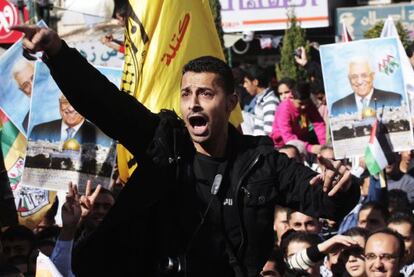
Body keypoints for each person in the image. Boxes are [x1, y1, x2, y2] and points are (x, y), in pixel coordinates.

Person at [13, 25, 361, 277]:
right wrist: (57, 52)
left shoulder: (260, 162)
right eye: (186, 94)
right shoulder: (164, 143)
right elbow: (105, 102)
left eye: (206, 94)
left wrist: (343, 188)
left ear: (231, 103)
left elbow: (324, 198)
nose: (193, 104)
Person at [331, 57, 402, 116]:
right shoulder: (337, 107)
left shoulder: (393, 100)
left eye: (364, 75)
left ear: (372, 76)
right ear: (349, 79)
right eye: (354, 77)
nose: (359, 81)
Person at [271, 82, 326, 154]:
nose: (304, 107)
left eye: (306, 103)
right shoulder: (284, 108)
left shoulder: (309, 104)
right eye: (300, 104)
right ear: (291, 98)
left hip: (303, 141)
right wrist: (310, 148)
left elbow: (318, 124)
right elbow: (287, 136)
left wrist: (324, 145)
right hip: (284, 146)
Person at [29, 95, 105, 144]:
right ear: (59, 104)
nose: (71, 109)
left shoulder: (102, 137)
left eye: (77, 103)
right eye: (65, 102)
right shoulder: (38, 131)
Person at [242, 64, 279, 136]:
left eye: (246, 82)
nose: (244, 85)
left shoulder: (270, 101)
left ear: (255, 82)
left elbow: (269, 132)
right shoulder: (261, 100)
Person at [11, 58, 34, 132]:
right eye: (25, 85)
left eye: (33, 78)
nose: (32, 85)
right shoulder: (27, 124)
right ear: (23, 91)